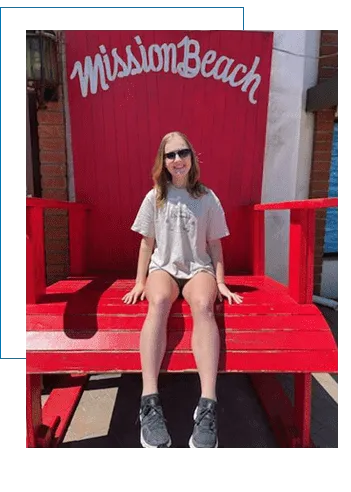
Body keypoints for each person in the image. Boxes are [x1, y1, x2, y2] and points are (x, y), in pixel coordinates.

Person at [122, 131, 243, 448]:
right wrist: (139, 282)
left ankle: (207, 404)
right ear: (163, 161)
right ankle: (149, 401)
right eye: (171, 155)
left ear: (192, 157)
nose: (178, 160)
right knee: (158, 300)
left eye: (183, 153)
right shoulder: (155, 197)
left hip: (197, 269)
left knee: (204, 305)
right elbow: (147, 243)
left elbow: (215, 246)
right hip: (163, 268)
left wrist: (220, 282)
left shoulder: (207, 197)